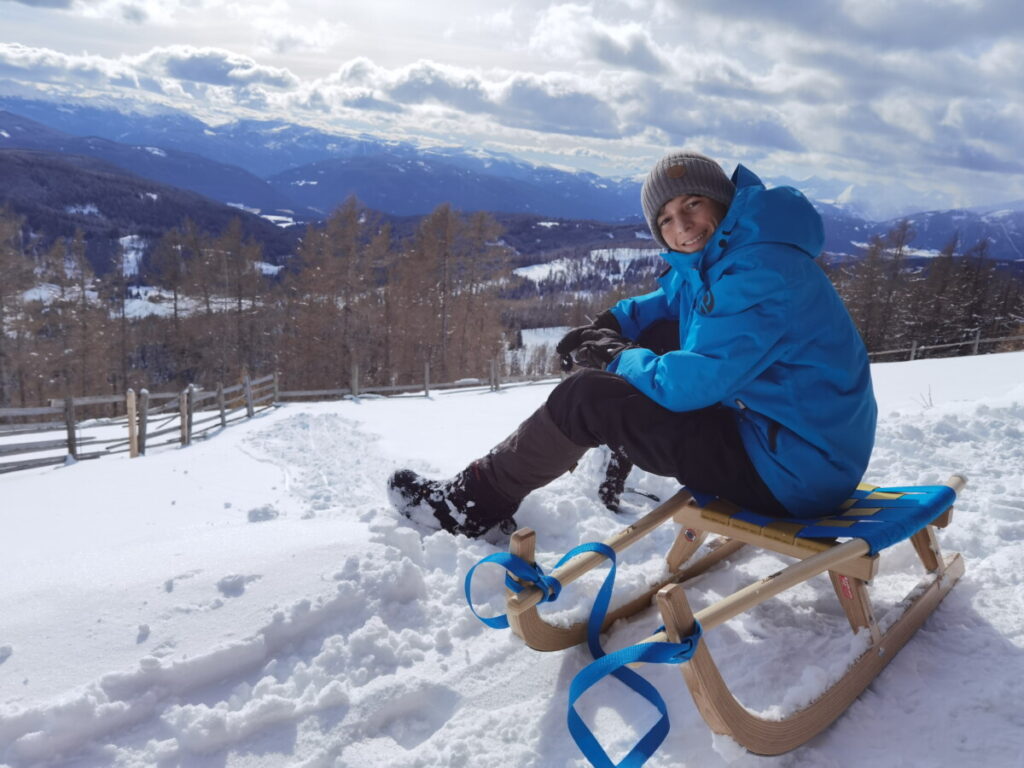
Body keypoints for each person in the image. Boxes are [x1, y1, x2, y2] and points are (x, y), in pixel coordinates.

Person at [388, 151, 877, 538]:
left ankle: (465, 507)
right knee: (650, 340)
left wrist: (616, 355)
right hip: (801, 445)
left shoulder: (758, 273)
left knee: (585, 397)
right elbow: (667, 300)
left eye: (692, 204)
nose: (681, 226)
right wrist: (610, 322)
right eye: (665, 218)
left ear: (721, 202)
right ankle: (614, 459)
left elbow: (689, 387)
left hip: (791, 473)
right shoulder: (732, 253)